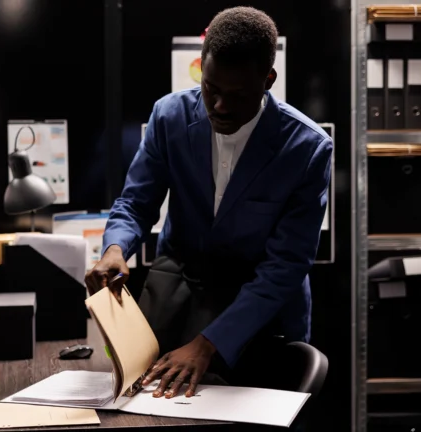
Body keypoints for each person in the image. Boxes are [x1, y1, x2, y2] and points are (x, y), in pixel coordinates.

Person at [85, 7, 332, 400]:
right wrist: (115, 249)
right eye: (211, 89)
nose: (218, 106)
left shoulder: (307, 148)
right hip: (179, 292)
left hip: (258, 313)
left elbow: (286, 266)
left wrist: (208, 344)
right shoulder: (169, 117)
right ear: (201, 69)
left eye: (236, 96)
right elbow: (136, 202)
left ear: (267, 80)